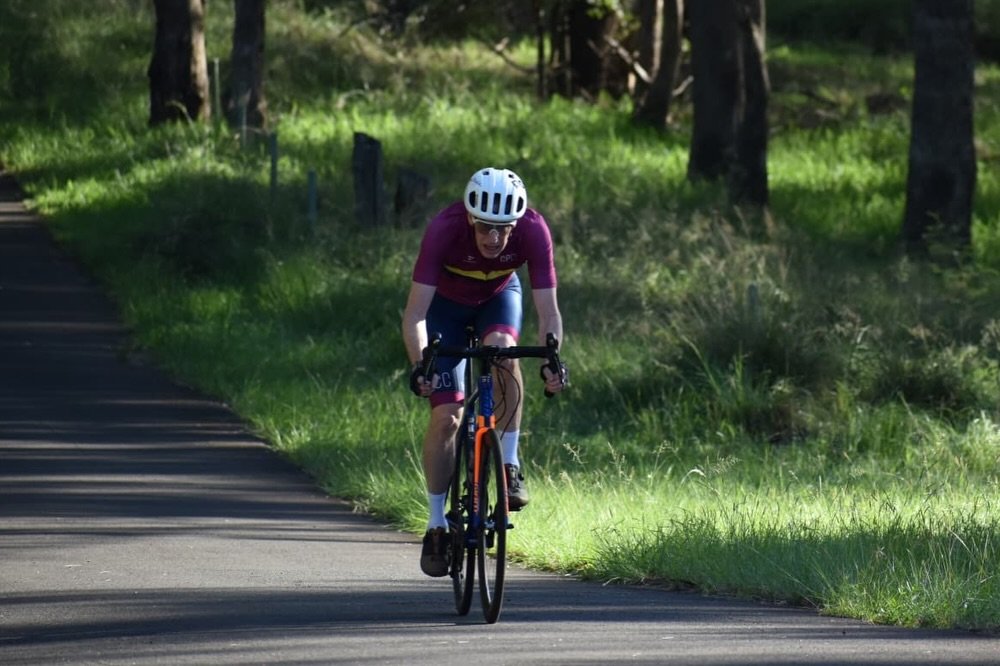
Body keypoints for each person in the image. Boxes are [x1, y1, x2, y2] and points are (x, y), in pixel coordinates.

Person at [401, 167, 567, 577]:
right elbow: (416, 314)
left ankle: (508, 463)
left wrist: (552, 358)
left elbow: (549, 312)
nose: (495, 239)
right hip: (446, 308)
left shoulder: (534, 229)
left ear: (517, 223)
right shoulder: (444, 228)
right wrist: (420, 365)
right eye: (486, 228)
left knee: (504, 351)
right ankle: (437, 523)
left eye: (504, 230)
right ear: (471, 219)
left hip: (498, 298)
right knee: (447, 418)